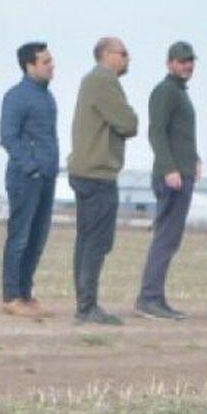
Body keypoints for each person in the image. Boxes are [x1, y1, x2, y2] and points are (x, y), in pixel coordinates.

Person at [66, 36, 139, 325]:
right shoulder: (102, 80)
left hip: (86, 171)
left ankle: (85, 304)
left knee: (87, 240)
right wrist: (129, 115)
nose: (127, 58)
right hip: (97, 173)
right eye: (123, 53)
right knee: (96, 241)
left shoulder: (93, 81)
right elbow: (129, 123)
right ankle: (87, 307)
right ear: (107, 54)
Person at [136, 41, 201, 319]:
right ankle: (149, 299)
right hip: (171, 177)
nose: (187, 65)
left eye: (190, 61)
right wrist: (169, 168)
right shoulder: (165, 92)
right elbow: (157, 133)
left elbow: (181, 135)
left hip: (183, 174)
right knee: (165, 238)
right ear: (170, 63)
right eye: (182, 60)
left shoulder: (180, 93)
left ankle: (155, 298)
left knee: (170, 239)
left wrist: (194, 159)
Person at [0, 41, 59, 318]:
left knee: (38, 238)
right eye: (46, 62)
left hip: (47, 177)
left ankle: (25, 293)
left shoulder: (47, 97)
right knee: (20, 237)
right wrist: (30, 166)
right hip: (25, 178)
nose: (52, 65)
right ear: (30, 66)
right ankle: (11, 296)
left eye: (51, 60)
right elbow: (8, 137)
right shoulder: (17, 96)